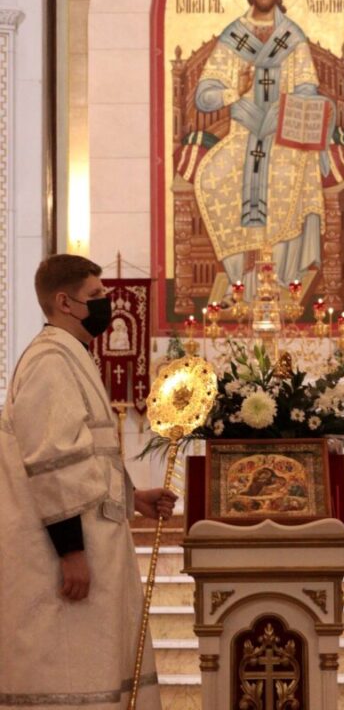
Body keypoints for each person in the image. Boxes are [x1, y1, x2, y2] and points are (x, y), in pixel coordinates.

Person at [0, 254, 176, 709]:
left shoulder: (69, 356)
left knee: (95, 669)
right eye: (96, 295)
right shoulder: (50, 361)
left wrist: (133, 498)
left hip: (90, 542)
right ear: (65, 302)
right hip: (61, 555)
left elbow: (87, 457)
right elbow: (51, 461)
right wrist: (71, 552)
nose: (106, 304)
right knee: (70, 679)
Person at [194, 0, 334, 300]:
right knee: (212, 179)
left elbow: (308, 86)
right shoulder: (233, 37)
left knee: (292, 176)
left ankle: (285, 279)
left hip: (283, 133)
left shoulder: (293, 38)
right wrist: (234, 92)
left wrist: (290, 106)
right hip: (242, 133)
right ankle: (241, 280)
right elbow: (203, 95)